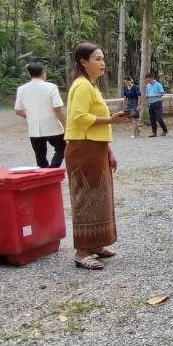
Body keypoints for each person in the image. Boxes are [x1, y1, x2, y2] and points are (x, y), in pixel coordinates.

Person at [65, 43, 129, 270]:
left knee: (100, 196)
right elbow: (79, 118)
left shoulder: (91, 86)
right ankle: (82, 251)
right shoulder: (81, 86)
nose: (102, 63)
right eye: (97, 59)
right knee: (86, 195)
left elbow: (94, 123)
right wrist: (110, 120)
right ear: (84, 62)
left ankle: (96, 243)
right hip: (83, 148)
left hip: (96, 147)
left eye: (103, 59)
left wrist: (108, 150)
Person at [14, 61, 66, 168]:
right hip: (52, 126)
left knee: (40, 156)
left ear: (30, 74)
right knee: (62, 148)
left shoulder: (21, 89)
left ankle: (44, 173)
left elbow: (18, 110)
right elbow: (57, 109)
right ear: (43, 73)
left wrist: (29, 116)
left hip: (34, 128)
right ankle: (53, 169)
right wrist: (65, 125)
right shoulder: (51, 87)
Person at [144, 72, 168, 137]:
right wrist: (147, 96)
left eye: (148, 80)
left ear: (152, 78)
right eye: (146, 80)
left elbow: (162, 94)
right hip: (150, 103)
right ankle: (154, 132)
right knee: (152, 119)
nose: (148, 81)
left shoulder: (158, 84)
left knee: (159, 118)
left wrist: (154, 95)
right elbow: (147, 94)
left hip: (157, 102)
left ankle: (165, 130)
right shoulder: (147, 85)